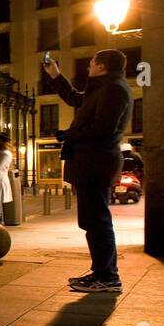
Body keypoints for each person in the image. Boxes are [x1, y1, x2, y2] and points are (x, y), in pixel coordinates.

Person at [46, 50, 133, 293]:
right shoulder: (104, 88)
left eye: (91, 64)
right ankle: (101, 272)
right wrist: (55, 75)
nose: (88, 68)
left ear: (102, 67)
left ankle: (108, 277)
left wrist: (69, 134)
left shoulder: (114, 89)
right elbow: (74, 98)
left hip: (96, 162)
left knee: (98, 221)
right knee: (92, 221)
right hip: (91, 162)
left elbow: (104, 128)